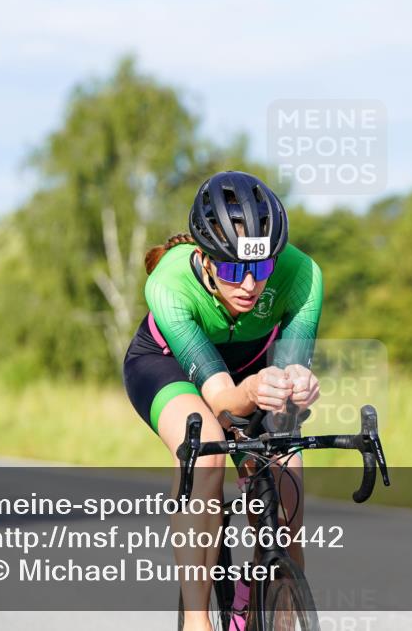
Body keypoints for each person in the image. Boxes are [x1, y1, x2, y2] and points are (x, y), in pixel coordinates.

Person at [122, 170, 323, 631]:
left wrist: (297, 386)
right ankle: (197, 620)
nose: (249, 284)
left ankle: (275, 608)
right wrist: (251, 390)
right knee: (206, 454)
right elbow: (223, 399)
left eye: (262, 267)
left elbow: (288, 376)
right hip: (170, 367)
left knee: (286, 477)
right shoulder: (169, 284)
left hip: (252, 366)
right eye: (233, 269)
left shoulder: (303, 275)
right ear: (204, 258)